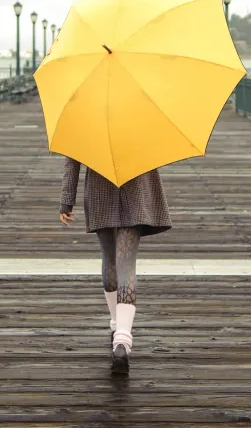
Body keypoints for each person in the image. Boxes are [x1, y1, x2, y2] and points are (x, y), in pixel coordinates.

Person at [59, 159, 171, 375]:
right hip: (137, 188)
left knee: (110, 260)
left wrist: (66, 201)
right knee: (126, 265)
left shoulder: (85, 124)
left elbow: (72, 160)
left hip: (100, 191)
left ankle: (116, 325)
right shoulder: (143, 122)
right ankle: (122, 339)